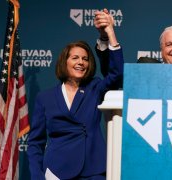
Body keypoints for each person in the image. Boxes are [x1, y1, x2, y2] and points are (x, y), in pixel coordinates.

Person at [27, 9, 123, 180]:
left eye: (85, 59)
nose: (81, 62)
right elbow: (35, 143)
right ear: (65, 62)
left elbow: (117, 75)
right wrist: (37, 176)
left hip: (93, 171)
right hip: (57, 172)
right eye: (75, 58)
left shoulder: (95, 87)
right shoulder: (45, 98)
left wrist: (109, 34)